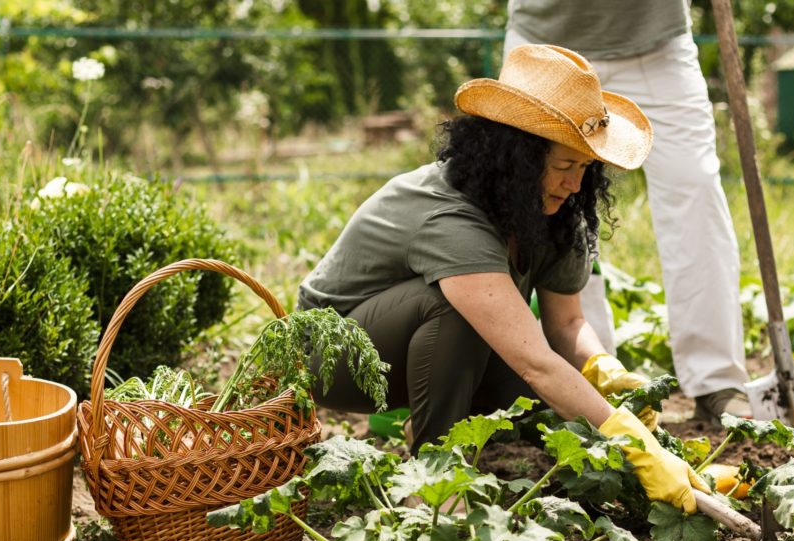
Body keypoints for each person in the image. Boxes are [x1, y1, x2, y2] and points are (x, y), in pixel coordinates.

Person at [298, 44, 710, 513]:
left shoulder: (553, 209)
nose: (576, 184)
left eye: (585, 167)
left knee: (543, 397)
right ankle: (434, 482)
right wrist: (633, 446)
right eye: (562, 166)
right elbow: (535, 359)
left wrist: (602, 369)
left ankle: (433, 421)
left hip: (412, 347)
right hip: (332, 358)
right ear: (515, 158)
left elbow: (567, 325)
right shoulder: (451, 217)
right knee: (467, 320)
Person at [505, 0, 752, 424]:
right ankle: (587, 380)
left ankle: (715, 380)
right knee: (554, 201)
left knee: (694, 186)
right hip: (546, 43)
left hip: (656, 44)